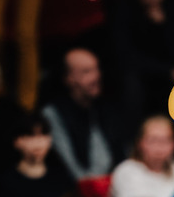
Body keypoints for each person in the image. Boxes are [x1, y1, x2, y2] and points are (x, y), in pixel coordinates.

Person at [42, 48, 126, 181]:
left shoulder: (105, 106)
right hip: (79, 191)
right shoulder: (53, 114)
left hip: (113, 187)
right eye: (87, 71)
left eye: (97, 69)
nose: (96, 76)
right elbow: (69, 167)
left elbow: (122, 154)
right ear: (68, 79)